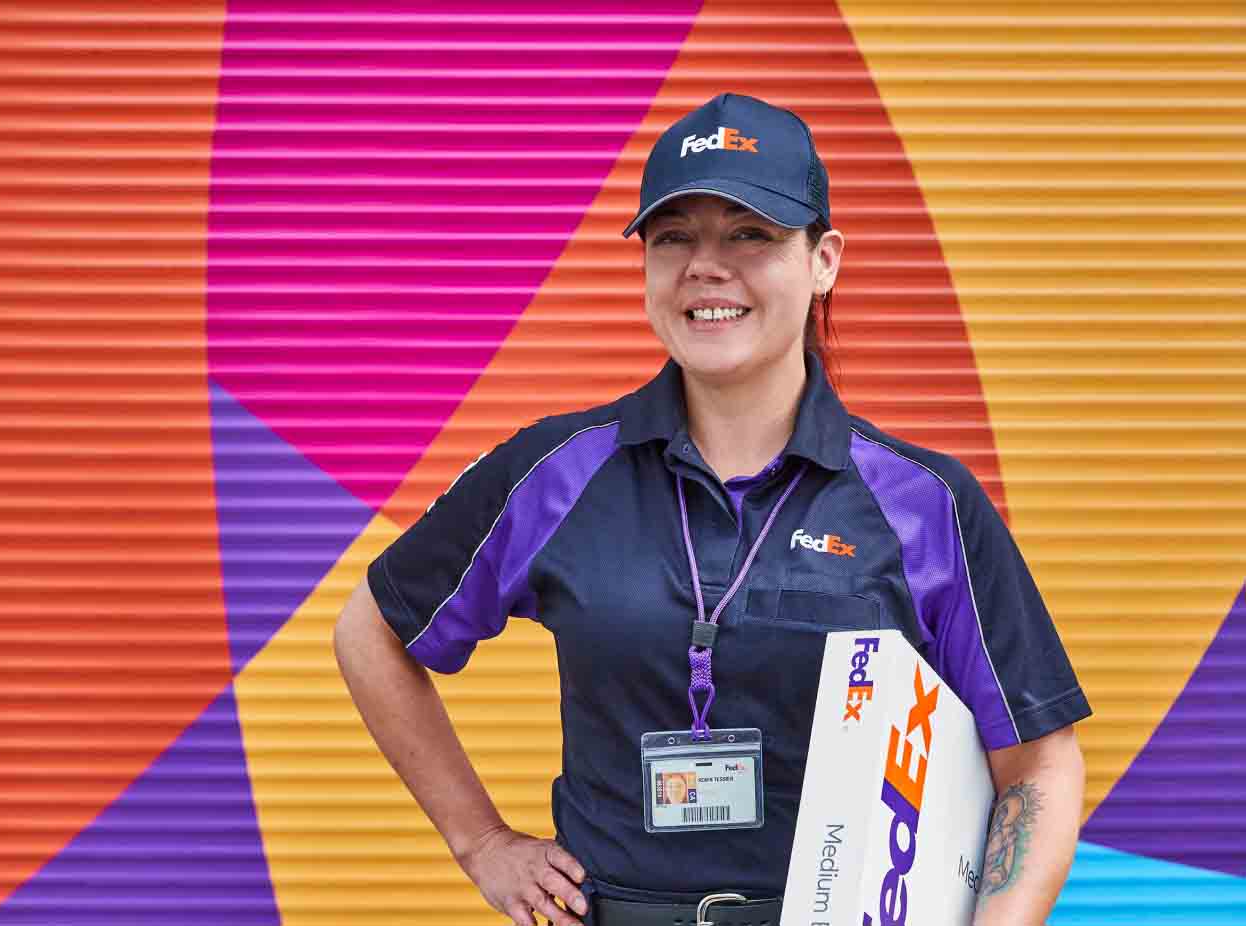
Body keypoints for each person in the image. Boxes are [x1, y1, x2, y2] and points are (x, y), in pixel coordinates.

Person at [333, 93, 1090, 926]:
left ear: (824, 259)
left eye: (750, 234)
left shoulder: (926, 501)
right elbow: (373, 630)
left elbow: (1040, 761)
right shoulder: (555, 471)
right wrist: (481, 842)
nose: (706, 265)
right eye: (674, 237)